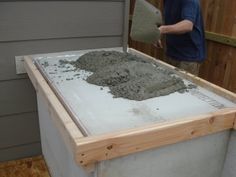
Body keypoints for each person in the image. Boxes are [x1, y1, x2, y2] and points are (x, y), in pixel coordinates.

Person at [157, 0, 206, 75]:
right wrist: (157, 34)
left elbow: (187, 25)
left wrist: (162, 30)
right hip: (172, 52)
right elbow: (168, 18)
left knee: (183, 86)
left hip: (188, 58)